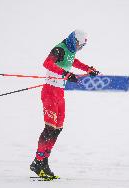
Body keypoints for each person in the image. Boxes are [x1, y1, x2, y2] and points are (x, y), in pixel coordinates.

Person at [30, 29, 100, 180]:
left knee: (57, 129)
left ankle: (44, 162)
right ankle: (38, 161)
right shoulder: (59, 48)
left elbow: (72, 61)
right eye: (79, 45)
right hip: (49, 91)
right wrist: (66, 74)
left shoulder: (70, 50)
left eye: (82, 47)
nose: (79, 48)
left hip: (60, 92)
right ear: (74, 40)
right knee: (49, 128)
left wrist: (88, 69)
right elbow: (47, 63)